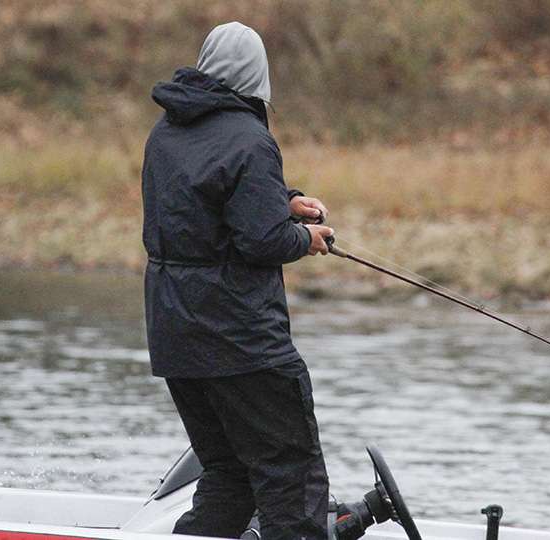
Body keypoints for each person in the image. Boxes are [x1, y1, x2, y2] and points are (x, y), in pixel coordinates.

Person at [141, 21, 333, 539]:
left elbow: (205, 203)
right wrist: (306, 238)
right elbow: (263, 240)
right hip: (242, 339)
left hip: (174, 334)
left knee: (229, 476)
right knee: (291, 478)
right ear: (258, 79)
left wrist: (283, 199)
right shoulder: (252, 139)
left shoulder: (164, 132)